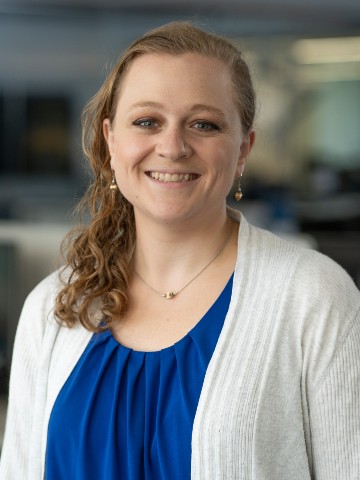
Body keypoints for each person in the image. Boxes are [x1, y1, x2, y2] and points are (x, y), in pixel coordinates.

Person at [0, 21, 359, 480]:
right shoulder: (53, 307)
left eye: (203, 124)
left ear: (243, 149)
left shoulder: (315, 297)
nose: (171, 147)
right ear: (111, 141)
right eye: (147, 121)